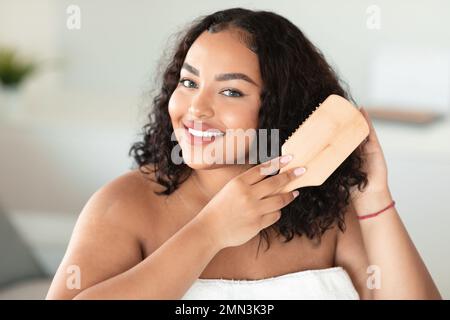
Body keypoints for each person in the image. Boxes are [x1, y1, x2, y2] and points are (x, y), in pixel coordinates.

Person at [46, 8, 441, 300]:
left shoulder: (329, 211)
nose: (196, 108)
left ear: (281, 108)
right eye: (188, 82)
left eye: (231, 91)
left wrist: (375, 198)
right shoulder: (125, 205)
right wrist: (210, 231)